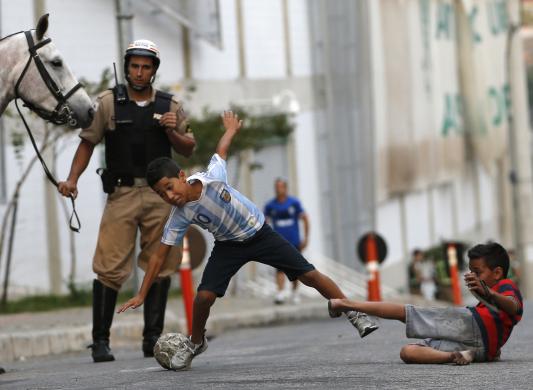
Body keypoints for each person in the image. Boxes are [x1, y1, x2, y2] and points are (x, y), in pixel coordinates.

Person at [118, 111, 379, 370]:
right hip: (228, 246)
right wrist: (142, 293)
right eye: (161, 194)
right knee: (203, 297)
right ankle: (195, 342)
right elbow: (159, 254)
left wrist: (230, 129)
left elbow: (221, 150)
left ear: (183, 176)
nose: (169, 196)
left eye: (170, 187)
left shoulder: (212, 179)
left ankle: (355, 312)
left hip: (260, 234)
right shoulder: (178, 216)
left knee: (309, 275)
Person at [58, 39, 196, 362]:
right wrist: (72, 179)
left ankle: (152, 339)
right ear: (127, 67)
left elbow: (188, 147)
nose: (139, 72)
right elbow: (87, 143)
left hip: (161, 196)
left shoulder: (170, 105)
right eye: (134, 65)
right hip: (121, 192)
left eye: (146, 67)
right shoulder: (108, 103)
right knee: (108, 265)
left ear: (153, 71)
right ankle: (101, 341)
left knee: (160, 263)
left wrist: (172, 131)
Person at [328, 242, 523, 365]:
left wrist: (488, 292)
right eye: (471, 271)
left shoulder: (505, 285)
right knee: (408, 352)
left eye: (477, 272)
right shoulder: (488, 295)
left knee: (406, 313)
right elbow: (504, 321)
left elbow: (513, 306)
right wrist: (494, 347)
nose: (472, 276)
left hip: (473, 325)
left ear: (497, 272)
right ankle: (455, 356)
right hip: (481, 351)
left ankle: (347, 304)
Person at [264, 178, 309, 304]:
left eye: (281, 187)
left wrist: (306, 238)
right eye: (276, 187)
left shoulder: (294, 203)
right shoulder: (270, 205)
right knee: (279, 267)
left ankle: (295, 292)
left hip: (294, 241)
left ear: (285, 188)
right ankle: (280, 292)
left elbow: (305, 218)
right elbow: (265, 222)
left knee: (296, 269)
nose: (278, 189)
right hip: (278, 241)